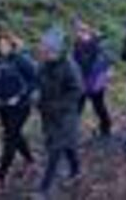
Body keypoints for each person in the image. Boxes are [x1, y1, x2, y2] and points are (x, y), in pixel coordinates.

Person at [0, 31, 38, 190]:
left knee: (10, 139)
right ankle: (31, 161)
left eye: (5, 44)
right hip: (3, 105)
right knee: (14, 134)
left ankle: (0, 177)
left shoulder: (21, 59)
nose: (2, 48)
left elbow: (35, 80)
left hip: (21, 106)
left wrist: (19, 96)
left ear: (12, 44)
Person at [36, 26, 83, 195]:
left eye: (46, 49)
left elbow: (77, 90)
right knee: (67, 146)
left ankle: (44, 189)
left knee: (55, 150)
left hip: (66, 115)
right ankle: (76, 170)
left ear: (56, 49)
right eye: (42, 47)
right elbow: (38, 83)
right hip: (48, 114)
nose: (42, 51)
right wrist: (35, 96)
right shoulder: (43, 65)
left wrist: (59, 105)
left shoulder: (69, 66)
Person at [73, 21, 113, 137]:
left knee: (98, 105)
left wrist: (104, 75)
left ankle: (106, 127)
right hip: (82, 78)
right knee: (78, 106)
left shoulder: (97, 44)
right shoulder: (77, 44)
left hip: (95, 79)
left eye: (80, 31)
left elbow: (105, 61)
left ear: (87, 32)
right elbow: (76, 61)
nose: (78, 34)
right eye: (77, 31)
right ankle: (71, 130)